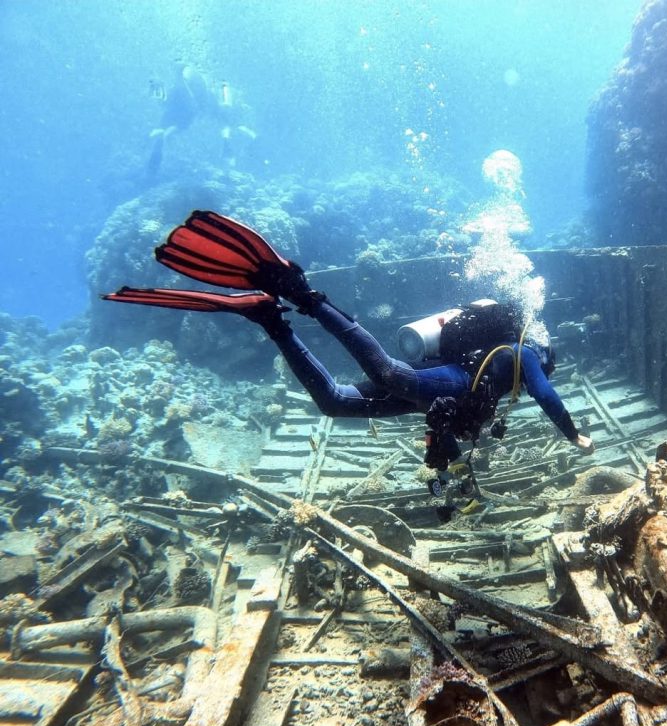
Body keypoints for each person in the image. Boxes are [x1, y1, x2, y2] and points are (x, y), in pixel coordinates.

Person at [103, 211, 594, 472]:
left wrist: (442, 464)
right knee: (390, 374)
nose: (539, 377)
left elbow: (445, 419)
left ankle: (272, 321)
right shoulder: (528, 353)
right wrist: (573, 435)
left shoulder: (504, 379)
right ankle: (303, 294)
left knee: (335, 404)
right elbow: (547, 395)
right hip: (447, 378)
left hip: (438, 395)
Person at [147, 65, 256, 176]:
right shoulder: (205, 92)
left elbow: (168, 105)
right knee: (183, 124)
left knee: (177, 125)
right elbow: (220, 114)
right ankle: (161, 139)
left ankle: (161, 139)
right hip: (193, 106)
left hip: (186, 106)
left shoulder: (182, 89)